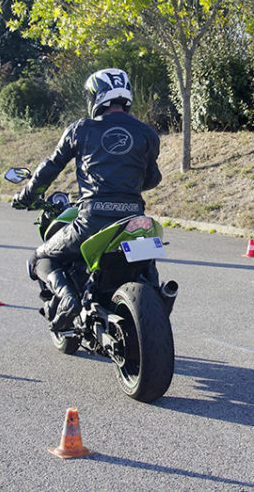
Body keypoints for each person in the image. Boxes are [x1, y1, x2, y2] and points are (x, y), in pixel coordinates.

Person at [12, 68, 162, 332]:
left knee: (40, 258)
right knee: (147, 262)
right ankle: (160, 300)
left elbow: (50, 167)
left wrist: (27, 195)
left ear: (96, 97)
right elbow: (152, 179)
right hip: (136, 223)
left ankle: (69, 300)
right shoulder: (147, 133)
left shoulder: (82, 129)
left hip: (92, 221)